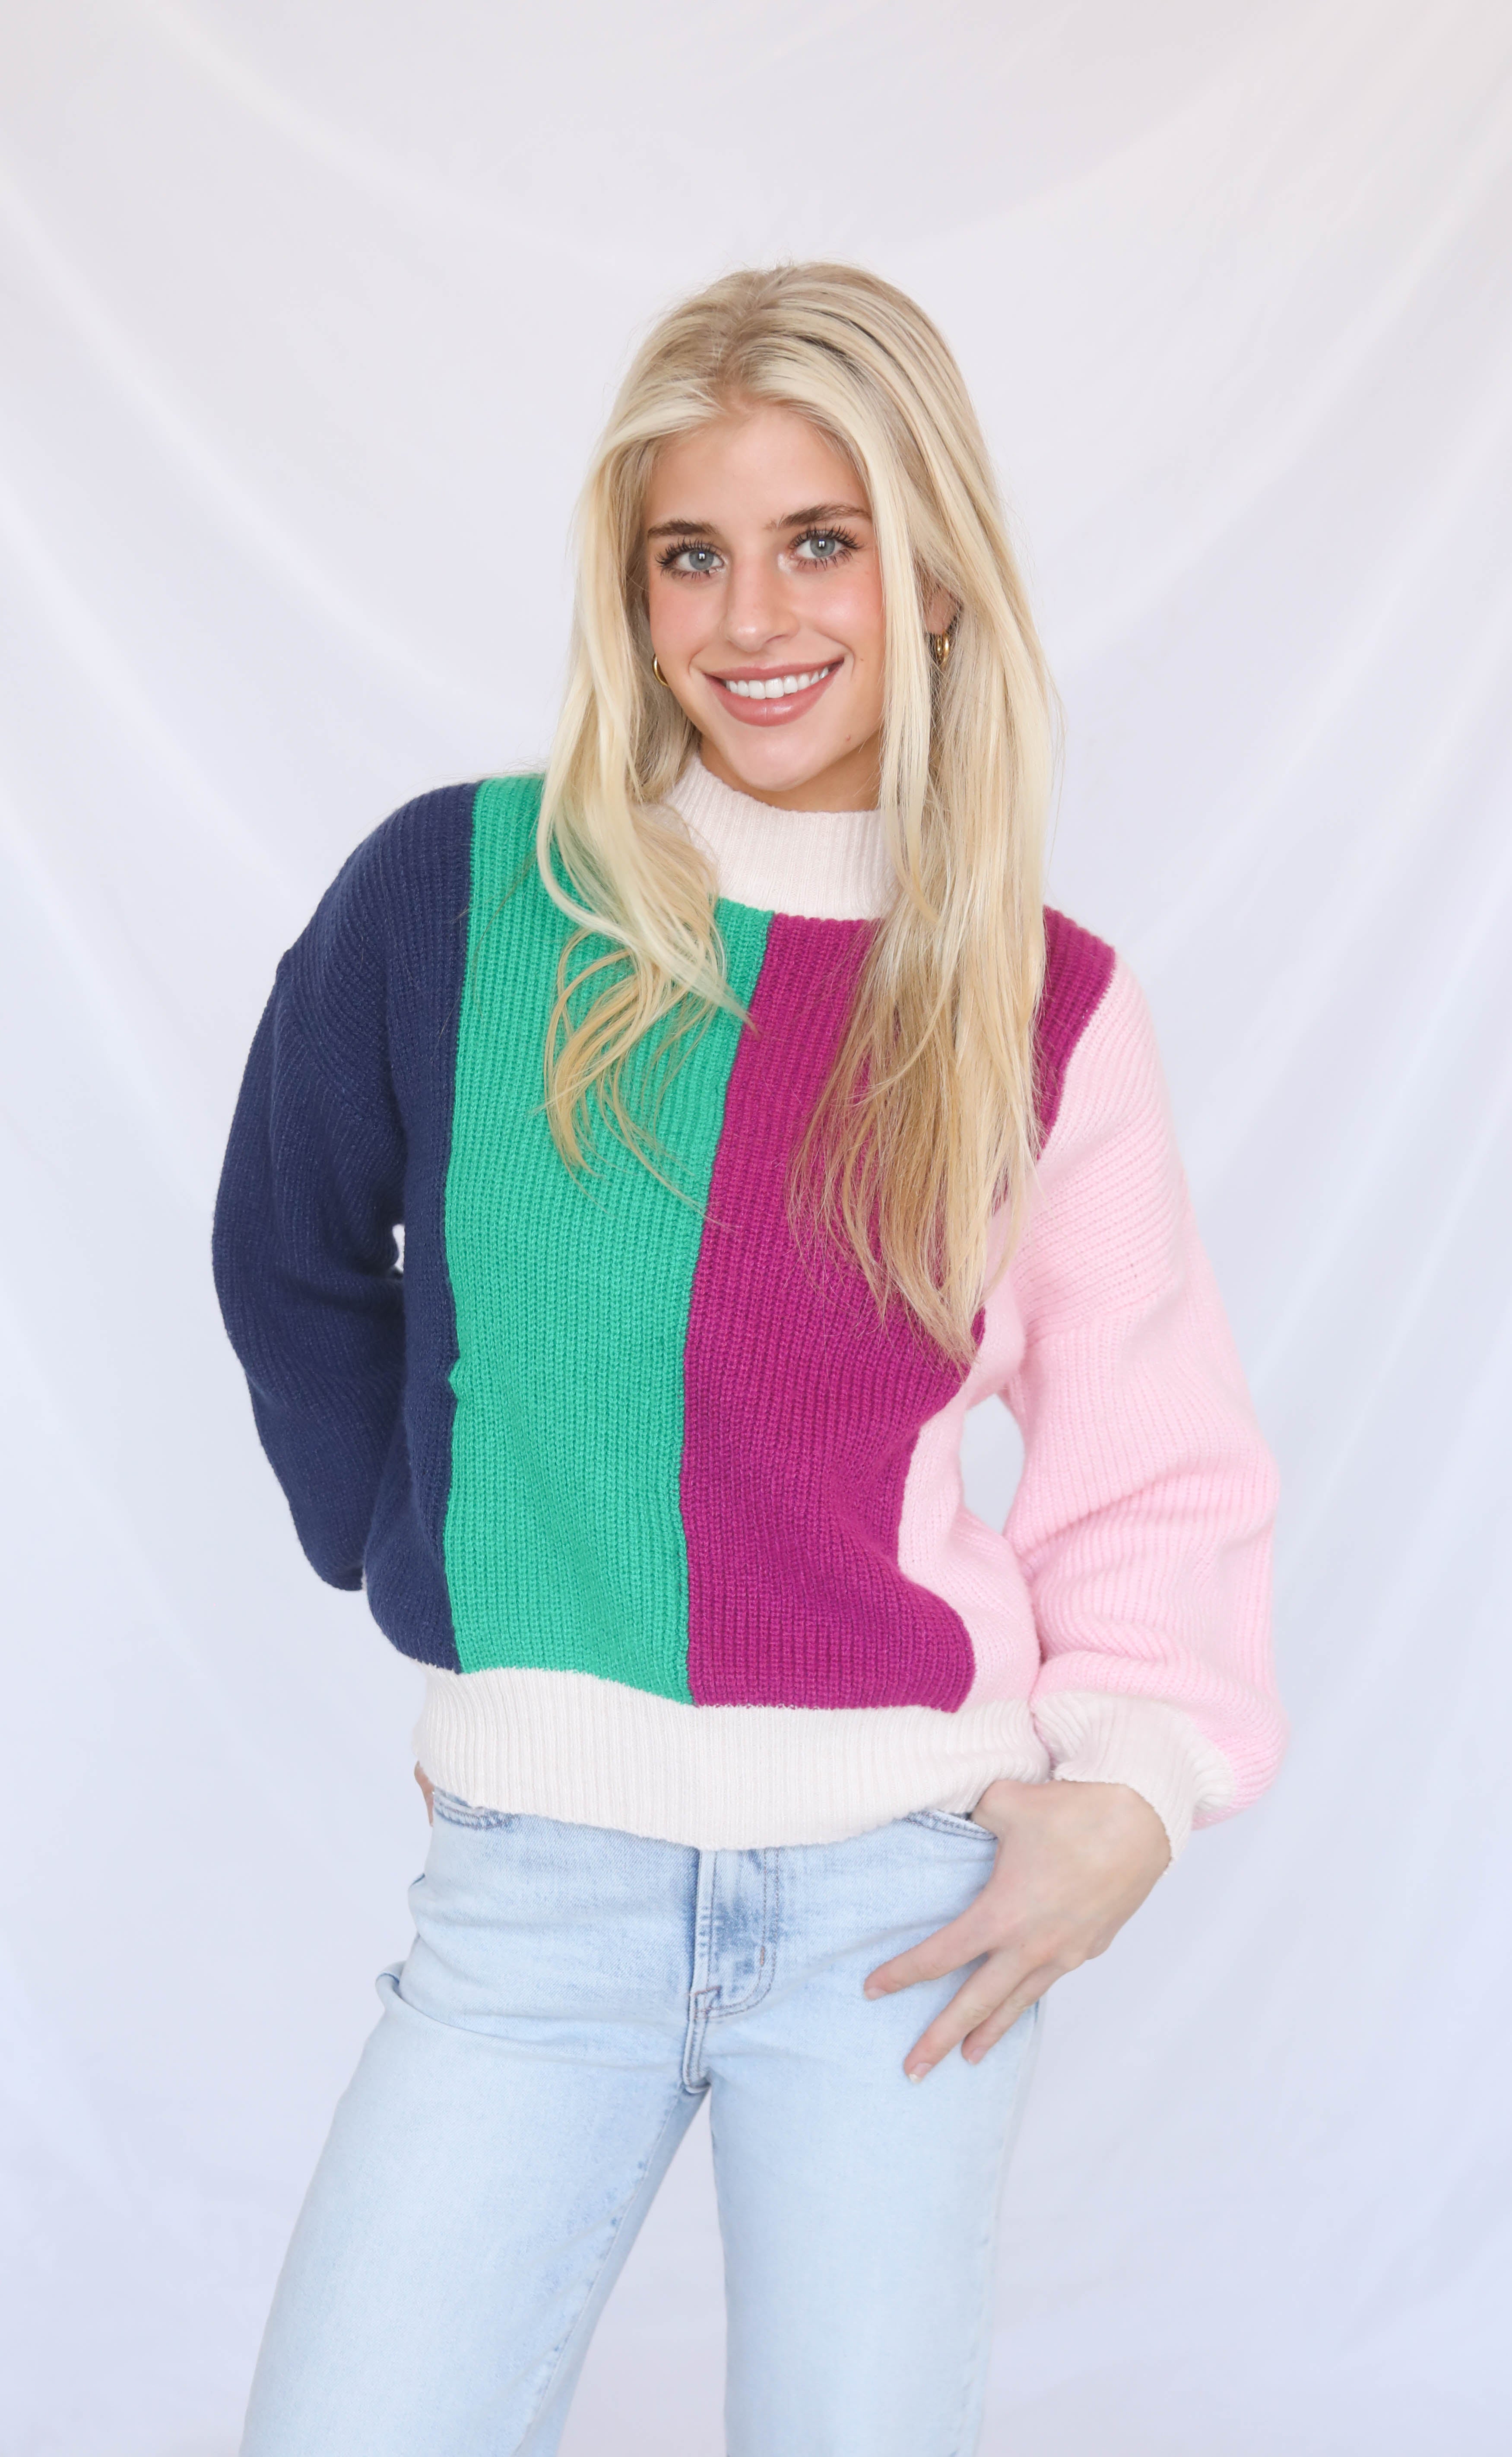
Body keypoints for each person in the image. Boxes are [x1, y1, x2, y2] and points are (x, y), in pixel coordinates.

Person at [214, 261, 1284, 2457]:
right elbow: (290, 1252)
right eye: (689, 553)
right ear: (630, 590)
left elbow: (1150, 1453)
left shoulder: (1044, 1005)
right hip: (533, 1885)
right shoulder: (459, 896)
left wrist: (1139, 1792)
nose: (752, 616)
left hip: (903, 1898)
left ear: (934, 574)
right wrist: (434, 1561)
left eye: (821, 541)